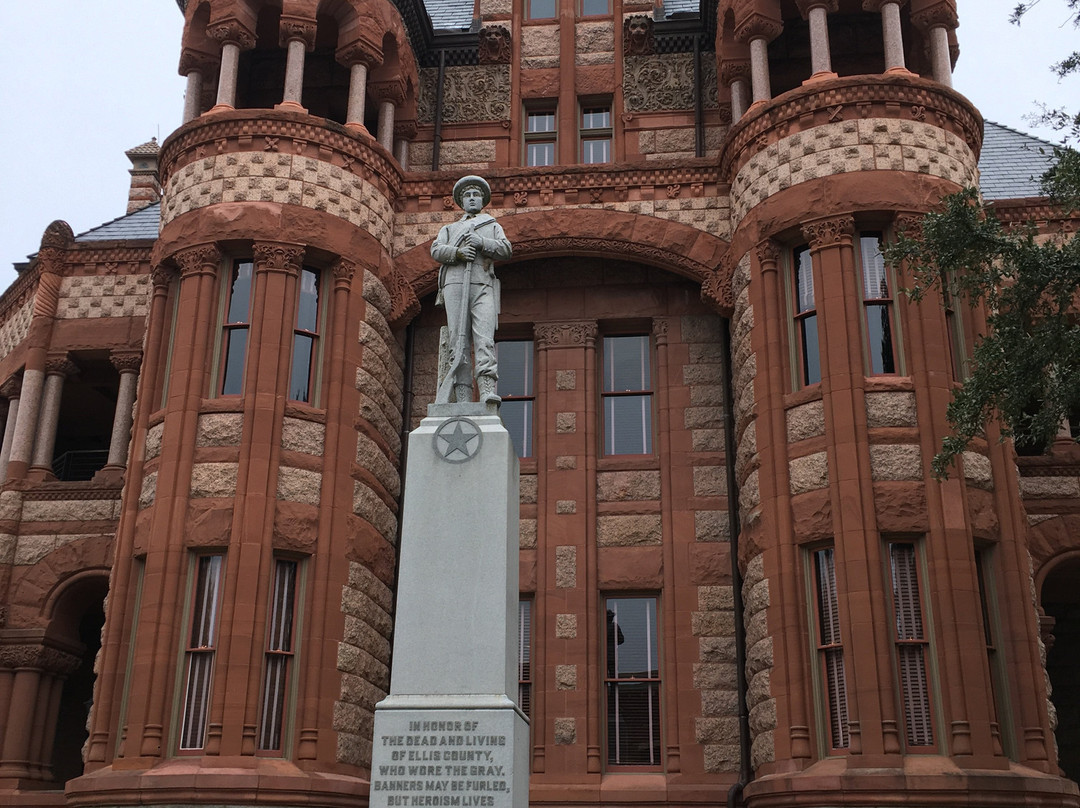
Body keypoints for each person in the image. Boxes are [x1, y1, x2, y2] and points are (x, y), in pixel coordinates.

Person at [431, 175, 512, 406]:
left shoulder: (491, 225)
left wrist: (480, 243)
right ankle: (463, 397)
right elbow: (436, 250)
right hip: (455, 283)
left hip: (483, 283)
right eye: (468, 195)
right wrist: (457, 254)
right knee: (459, 342)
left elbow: (506, 249)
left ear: (483, 199)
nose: (472, 199)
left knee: (484, 338)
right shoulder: (450, 228)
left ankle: (486, 389)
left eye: (476, 195)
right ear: (461, 201)